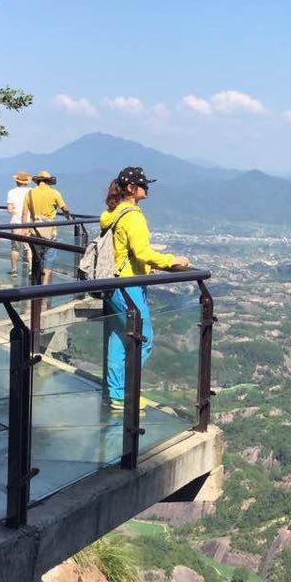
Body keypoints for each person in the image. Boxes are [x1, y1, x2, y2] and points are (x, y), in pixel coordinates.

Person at [100, 167, 190, 412]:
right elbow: (141, 252)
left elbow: (125, 252)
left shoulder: (115, 213)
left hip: (115, 284)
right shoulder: (133, 216)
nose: (147, 188)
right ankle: (128, 392)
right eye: (143, 184)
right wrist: (172, 260)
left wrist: (142, 266)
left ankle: (116, 394)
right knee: (144, 339)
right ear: (131, 188)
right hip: (128, 287)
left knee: (119, 339)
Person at [24, 169, 72, 286]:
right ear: (48, 181)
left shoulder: (29, 194)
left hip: (34, 230)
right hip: (50, 232)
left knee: (36, 258)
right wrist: (68, 217)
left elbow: (25, 213)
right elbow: (64, 208)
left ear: (38, 181)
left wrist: (24, 229)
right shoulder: (55, 193)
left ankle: (35, 285)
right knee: (49, 260)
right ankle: (44, 288)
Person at [6, 171, 32, 278]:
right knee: (29, 247)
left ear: (17, 181)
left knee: (15, 248)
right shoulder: (31, 192)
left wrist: (15, 212)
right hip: (29, 223)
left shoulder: (11, 192)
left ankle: (14, 270)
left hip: (16, 223)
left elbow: (10, 209)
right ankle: (31, 270)